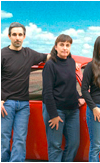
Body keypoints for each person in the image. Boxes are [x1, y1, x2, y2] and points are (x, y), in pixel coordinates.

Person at [1, 22, 50, 162]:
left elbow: (48, 56)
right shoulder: (2, 54)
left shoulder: (29, 53)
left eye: (20, 35)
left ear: (24, 36)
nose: (17, 37)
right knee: (4, 139)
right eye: (14, 35)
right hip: (6, 104)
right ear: (9, 36)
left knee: (20, 138)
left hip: (23, 104)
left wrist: (69, 60)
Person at [42, 34, 85, 162]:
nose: (65, 48)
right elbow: (47, 92)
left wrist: (79, 97)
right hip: (56, 111)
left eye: (67, 45)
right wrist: (54, 115)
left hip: (72, 110)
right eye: (62, 45)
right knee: (55, 145)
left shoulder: (71, 62)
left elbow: (71, 85)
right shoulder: (50, 65)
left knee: (74, 143)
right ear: (56, 47)